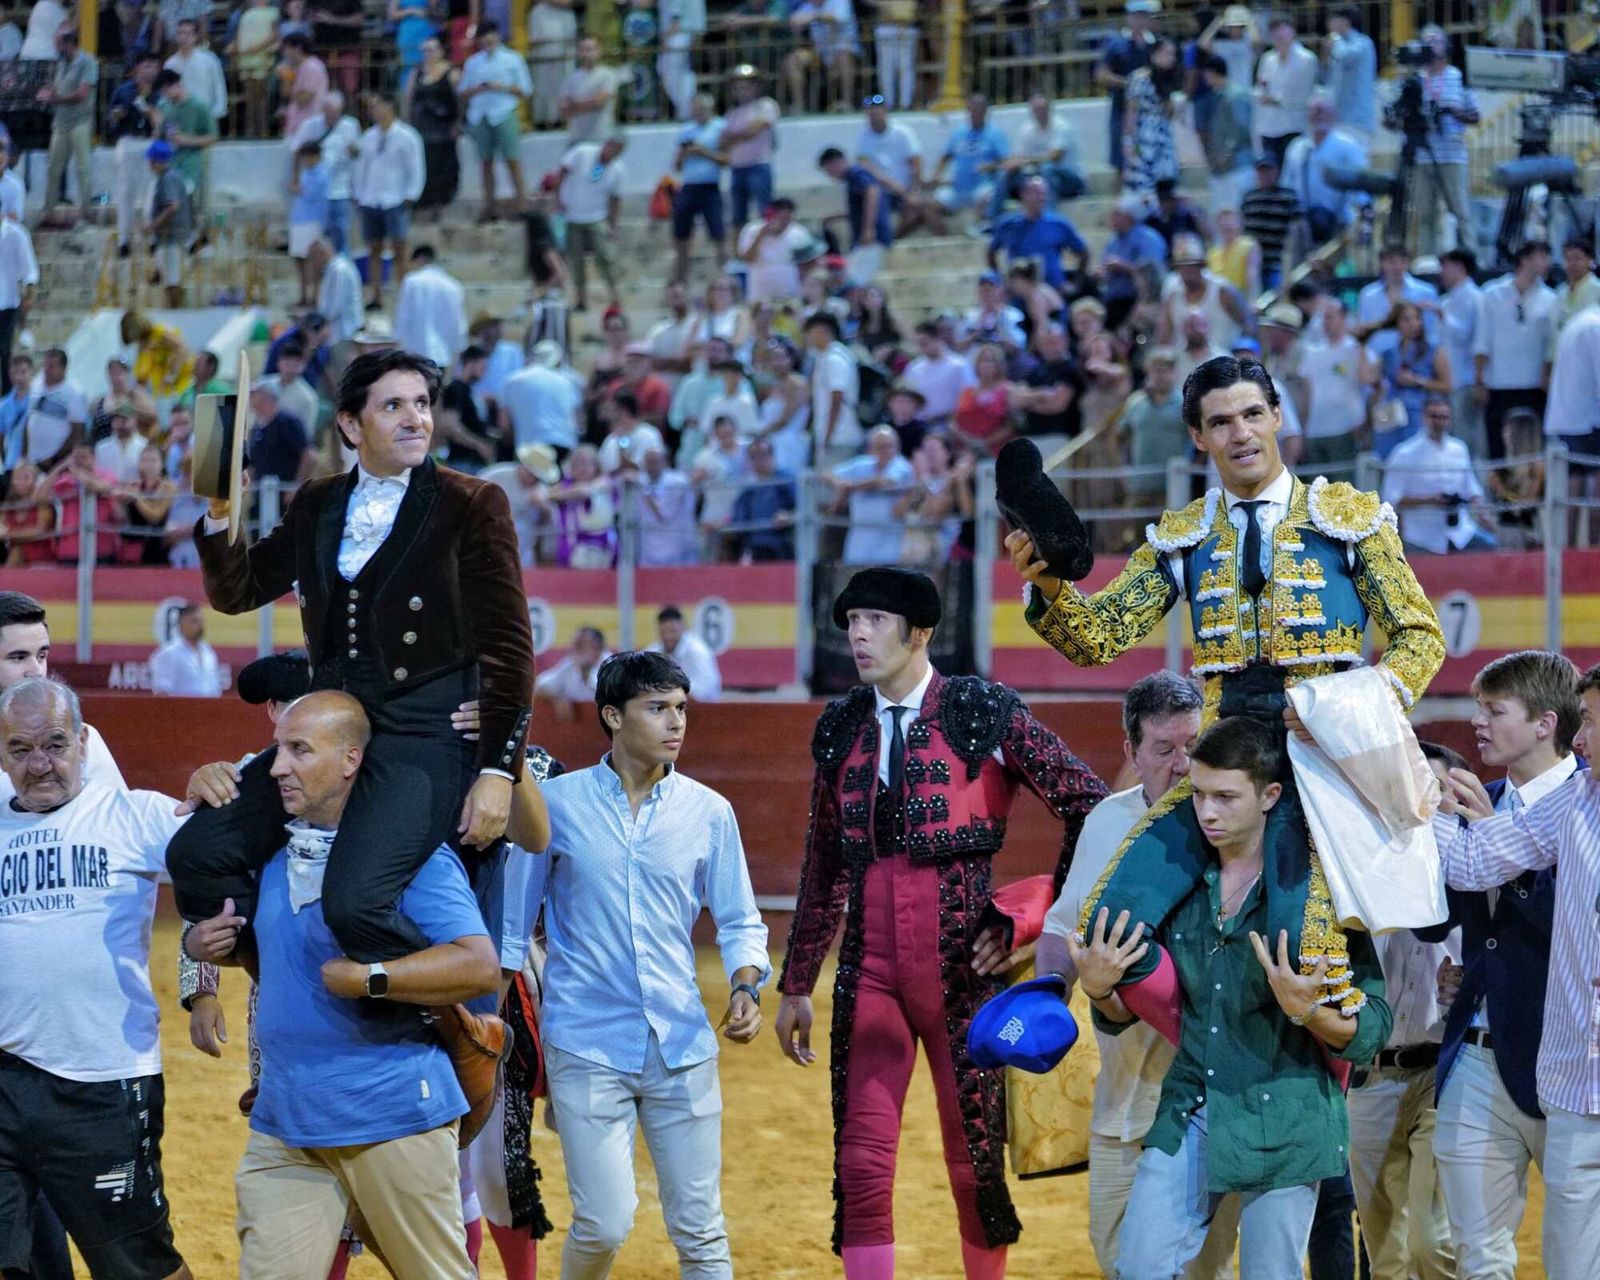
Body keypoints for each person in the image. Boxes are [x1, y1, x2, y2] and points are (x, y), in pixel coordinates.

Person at [1010, 353, 1443, 1070]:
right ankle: (1219, 1059)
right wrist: (1049, 588)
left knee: (1309, 954)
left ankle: (1319, 1113)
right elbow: (1097, 637)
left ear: (1277, 416)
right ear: (1198, 437)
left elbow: (1419, 637)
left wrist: (1346, 707)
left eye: (1251, 414)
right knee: (1110, 918)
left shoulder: (1349, 519)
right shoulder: (1183, 535)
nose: (1240, 432)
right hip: (1222, 765)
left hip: (1324, 770)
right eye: (1220, 421)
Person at [167, 350, 535, 1035]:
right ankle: (286, 981)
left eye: (422, 403)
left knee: (358, 902)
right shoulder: (318, 501)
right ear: (349, 424)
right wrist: (221, 512)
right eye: (393, 405)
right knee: (196, 855)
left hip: (426, 735)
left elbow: (510, 646)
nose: (415, 418)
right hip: (336, 727)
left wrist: (497, 771)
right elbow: (238, 592)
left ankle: (456, 1029)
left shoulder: (472, 502)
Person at [777, 567, 1107, 1280]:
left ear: (920, 633)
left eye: (874, 619)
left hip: (966, 969)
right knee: (859, 1165)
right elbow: (824, 860)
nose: (858, 634)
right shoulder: (840, 726)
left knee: (973, 1166)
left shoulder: (981, 710)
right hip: (870, 971)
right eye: (851, 620)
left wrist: (1034, 919)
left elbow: (1089, 802)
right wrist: (798, 981)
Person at [185, 691, 501, 1280]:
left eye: (298, 750)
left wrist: (372, 978)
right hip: (286, 1124)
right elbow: (279, 956)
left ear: (351, 758)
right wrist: (200, 949)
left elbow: (479, 966)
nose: (277, 767)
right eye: (279, 749)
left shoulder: (412, 861)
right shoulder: (272, 854)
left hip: (391, 1118)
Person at [1079, 716, 1391, 1278]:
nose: (1207, 813)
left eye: (1226, 797)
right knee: (1140, 1266)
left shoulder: (1319, 891)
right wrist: (1101, 992)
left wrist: (1307, 1011)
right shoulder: (1177, 887)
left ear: (1271, 795)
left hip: (1289, 1117)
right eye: (1198, 795)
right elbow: (1125, 1015)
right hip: (1193, 1104)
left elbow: (1372, 1027)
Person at [534, 651, 764, 1276]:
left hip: (681, 1043)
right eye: (658, 708)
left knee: (701, 1231)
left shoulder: (709, 812)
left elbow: (741, 920)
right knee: (603, 1224)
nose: (676, 724)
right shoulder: (556, 804)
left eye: (681, 708)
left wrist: (747, 986)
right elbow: (513, 926)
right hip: (585, 1043)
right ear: (613, 715)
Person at [1035, 672, 1235, 1279]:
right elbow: (1060, 927)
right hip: (1124, 1097)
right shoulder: (1106, 822)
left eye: (1193, 747)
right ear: (1131, 753)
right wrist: (1049, 992)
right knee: (1117, 1255)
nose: (1181, 766)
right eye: (1163, 750)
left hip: (1210, 1098)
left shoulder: (1236, 825)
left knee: (1203, 1268)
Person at [0, 678, 193, 1280]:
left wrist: (203, 975)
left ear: (84, 742)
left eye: (54, 745)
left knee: (140, 1265)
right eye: (19, 749)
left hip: (100, 1082)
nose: (39, 765)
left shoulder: (134, 814)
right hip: (3, 1077)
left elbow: (221, 872)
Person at [1430, 672, 1600, 1280]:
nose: (1584, 738)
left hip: (1565, 1061)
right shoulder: (1565, 802)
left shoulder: (1574, 796)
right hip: (1513, 1061)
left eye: (1493, 709)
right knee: (1490, 1257)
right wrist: (1448, 820)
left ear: (1542, 723)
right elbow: (1460, 881)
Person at [1474, 239, 1554, 464]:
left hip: (1534, 385)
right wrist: (1479, 381)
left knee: (1533, 444)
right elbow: (1482, 340)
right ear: (1525, 259)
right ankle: (1500, 494)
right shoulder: (1492, 293)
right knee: (1497, 443)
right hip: (1498, 383)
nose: (1546, 263)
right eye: (1542, 256)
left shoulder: (1550, 298)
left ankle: (1532, 495)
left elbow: (1550, 346)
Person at [352, 93, 425, 312]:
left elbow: (415, 166)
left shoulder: (407, 136)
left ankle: (403, 294)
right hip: (371, 198)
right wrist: (358, 192)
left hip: (396, 197)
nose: (375, 111)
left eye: (379, 106)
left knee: (399, 248)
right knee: (374, 248)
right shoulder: (368, 137)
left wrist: (412, 193)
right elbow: (361, 167)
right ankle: (376, 294)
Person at [1411, 25, 1479, 254]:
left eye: (1436, 40)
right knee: (1425, 214)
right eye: (1426, 40)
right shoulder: (1415, 80)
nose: (1431, 45)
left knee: (1461, 211)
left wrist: (1453, 112)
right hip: (1423, 155)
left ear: (1446, 45)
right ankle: (1426, 261)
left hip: (1452, 154)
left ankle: (1471, 258)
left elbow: (1475, 115)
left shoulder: (1456, 76)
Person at [459, 22, 532, 223]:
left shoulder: (512, 59)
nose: (487, 40)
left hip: (504, 111)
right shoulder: (473, 62)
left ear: (498, 36)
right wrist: (479, 88)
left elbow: (525, 90)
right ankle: (489, 205)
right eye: (483, 36)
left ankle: (522, 204)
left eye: (490, 35)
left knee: (512, 159)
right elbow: (463, 92)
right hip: (481, 114)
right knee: (485, 162)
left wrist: (502, 87)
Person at [1282, 96, 1369, 246]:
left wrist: (1361, 216)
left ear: (1333, 115)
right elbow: (1287, 184)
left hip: (1340, 221)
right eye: (1315, 111)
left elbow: (1362, 184)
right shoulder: (1297, 147)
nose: (1319, 115)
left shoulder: (1347, 145)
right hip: (1304, 223)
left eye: (1324, 111)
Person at [826, 425, 913, 565]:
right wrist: (840, 485)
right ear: (871, 449)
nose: (886, 451)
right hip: (859, 537)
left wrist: (848, 487)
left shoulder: (901, 465)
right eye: (881, 447)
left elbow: (885, 481)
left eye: (890, 446)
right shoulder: (862, 464)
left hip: (888, 539)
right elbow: (827, 474)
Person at [558, 132, 625, 313]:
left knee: (606, 258)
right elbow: (562, 171)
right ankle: (580, 300)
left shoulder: (616, 170)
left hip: (597, 217)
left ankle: (615, 297)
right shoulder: (582, 152)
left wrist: (613, 225)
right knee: (576, 260)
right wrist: (558, 198)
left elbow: (615, 198)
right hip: (574, 215)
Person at [1299, 299, 1370, 469]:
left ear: (1344, 318)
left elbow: (1365, 380)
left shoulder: (1355, 349)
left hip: (1344, 428)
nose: (1326, 322)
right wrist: (1303, 428)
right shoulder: (1312, 353)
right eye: (1324, 318)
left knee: (1343, 488)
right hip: (1315, 429)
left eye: (1330, 317)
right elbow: (1307, 395)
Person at [36, 27, 97, 225]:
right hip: (61, 123)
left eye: (57, 43)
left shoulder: (88, 62)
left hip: (80, 121)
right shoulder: (61, 63)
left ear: (68, 43)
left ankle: (85, 213)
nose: (55, 46)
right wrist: (47, 93)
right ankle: (48, 210)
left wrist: (54, 100)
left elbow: (82, 94)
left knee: (82, 168)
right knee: (54, 167)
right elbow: (55, 86)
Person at [1375, 300, 1450, 460]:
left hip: (1419, 414)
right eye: (1406, 319)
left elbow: (1447, 385)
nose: (1413, 324)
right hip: (1392, 415)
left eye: (1416, 318)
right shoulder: (1388, 353)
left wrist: (1417, 381)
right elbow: (1373, 380)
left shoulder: (1433, 350)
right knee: (1390, 459)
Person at [987, 176, 1088, 294]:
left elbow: (1083, 253)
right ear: (1023, 194)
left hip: (1053, 290)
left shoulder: (1059, 224)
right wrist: (1001, 280)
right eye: (1036, 193)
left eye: (1043, 193)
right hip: (1018, 292)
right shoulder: (1008, 225)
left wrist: (1076, 284)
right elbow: (991, 252)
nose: (1041, 197)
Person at [926, 92, 1008, 233]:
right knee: (930, 204)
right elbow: (947, 155)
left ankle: (977, 230)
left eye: (979, 110)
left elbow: (1007, 160)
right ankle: (943, 237)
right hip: (958, 188)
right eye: (972, 110)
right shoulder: (959, 132)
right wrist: (936, 175)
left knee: (986, 197)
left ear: (985, 112)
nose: (975, 114)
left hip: (982, 186)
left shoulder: (995, 133)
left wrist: (990, 166)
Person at [107, 51, 163, 255]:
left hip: (150, 142)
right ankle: (124, 240)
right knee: (125, 193)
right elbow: (111, 119)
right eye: (148, 65)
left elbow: (161, 120)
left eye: (155, 66)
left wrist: (148, 110)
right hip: (128, 141)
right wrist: (117, 114)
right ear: (137, 68)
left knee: (152, 192)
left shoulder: (159, 93)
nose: (152, 70)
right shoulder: (123, 91)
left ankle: (152, 238)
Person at [1097, 0, 1159, 179]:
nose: (1140, 20)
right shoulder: (1116, 44)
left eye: (1144, 16)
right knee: (1121, 161)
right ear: (1129, 18)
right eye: (1136, 16)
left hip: (1149, 113)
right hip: (1121, 111)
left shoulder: (1154, 44)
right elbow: (1101, 74)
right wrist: (1129, 83)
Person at [997, 91, 1085, 215]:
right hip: (1039, 177)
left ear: (1049, 108)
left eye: (1041, 109)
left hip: (1070, 180)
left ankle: (1047, 218)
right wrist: (1011, 164)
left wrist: (1026, 161)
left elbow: (1055, 157)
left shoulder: (1062, 127)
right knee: (1008, 175)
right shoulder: (1027, 129)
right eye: (1035, 109)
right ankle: (993, 221)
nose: (1039, 112)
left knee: (1047, 170)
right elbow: (1018, 156)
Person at [671, 92, 728, 284]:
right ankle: (680, 279)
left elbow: (725, 160)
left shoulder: (720, 127)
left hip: (710, 186)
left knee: (718, 234)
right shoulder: (687, 130)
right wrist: (684, 154)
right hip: (689, 186)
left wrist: (704, 152)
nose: (699, 113)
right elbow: (677, 165)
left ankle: (725, 275)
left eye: (702, 110)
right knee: (681, 235)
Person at [1435, 248, 1484, 460]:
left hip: (1465, 379)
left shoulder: (1476, 297)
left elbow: (1469, 337)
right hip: (1447, 379)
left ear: (1459, 267)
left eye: (1444, 267)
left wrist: (1442, 314)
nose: (1441, 273)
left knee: (1466, 438)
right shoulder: (1447, 299)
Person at [405, 41, 461, 223]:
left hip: (443, 129)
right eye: (425, 50)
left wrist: (457, 124)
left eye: (432, 50)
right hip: (422, 127)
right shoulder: (417, 73)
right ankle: (421, 207)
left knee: (443, 169)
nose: (428, 54)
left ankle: (440, 206)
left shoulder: (451, 73)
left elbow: (459, 102)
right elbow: (408, 100)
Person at [151, 68, 216, 224]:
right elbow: (159, 136)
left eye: (167, 91)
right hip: (170, 163)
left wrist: (186, 140)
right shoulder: (164, 106)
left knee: (188, 204)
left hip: (191, 162)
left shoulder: (199, 106)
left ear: (177, 85)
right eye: (163, 93)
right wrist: (157, 125)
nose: (165, 96)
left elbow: (213, 137)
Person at [1253, 15, 1317, 164]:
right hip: (1268, 126)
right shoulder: (1268, 59)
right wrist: (1263, 96)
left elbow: (1305, 94)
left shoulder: (1306, 59)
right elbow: (1261, 86)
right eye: (1274, 33)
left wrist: (1276, 101)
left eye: (1282, 31)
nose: (1279, 36)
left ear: (1292, 32)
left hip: (1293, 125)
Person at [1122, 37, 1180, 196]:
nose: (1172, 58)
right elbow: (1131, 111)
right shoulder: (1139, 78)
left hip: (1163, 134)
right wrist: (1128, 141)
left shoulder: (1166, 79)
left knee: (1166, 178)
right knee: (1143, 181)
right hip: (1144, 133)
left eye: (1173, 55)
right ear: (1155, 54)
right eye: (1168, 53)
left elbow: (1169, 112)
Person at [722, 64, 779, 227]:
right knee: (738, 215)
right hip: (737, 167)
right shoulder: (732, 113)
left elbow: (757, 129)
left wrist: (734, 137)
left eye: (747, 85)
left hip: (759, 165)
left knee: (765, 211)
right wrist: (740, 135)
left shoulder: (766, 105)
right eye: (738, 86)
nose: (742, 90)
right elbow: (723, 140)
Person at [1197, 54, 1254, 215]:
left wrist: (1227, 153)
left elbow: (1240, 128)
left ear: (1213, 73)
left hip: (1237, 166)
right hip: (1221, 168)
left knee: (1237, 212)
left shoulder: (1236, 95)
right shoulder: (1217, 95)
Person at [394, 244, 467, 370]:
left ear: (420, 259)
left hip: (415, 353)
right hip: (442, 354)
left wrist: (399, 342)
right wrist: (457, 348)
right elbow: (458, 322)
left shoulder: (412, 281)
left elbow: (403, 316)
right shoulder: (453, 285)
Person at [804, 312, 862, 463]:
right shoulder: (823, 357)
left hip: (839, 438)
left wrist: (828, 436)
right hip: (830, 436)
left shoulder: (835, 359)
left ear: (821, 331)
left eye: (810, 333)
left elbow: (837, 397)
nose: (808, 338)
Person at [1240, 152, 1300, 290]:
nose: (1265, 175)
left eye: (1268, 170)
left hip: (1277, 261)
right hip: (1252, 263)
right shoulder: (1249, 197)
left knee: (1274, 296)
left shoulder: (1288, 196)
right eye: (1261, 171)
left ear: (1276, 171)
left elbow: (1299, 227)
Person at [818, 146, 893, 255]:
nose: (830, 175)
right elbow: (860, 209)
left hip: (873, 239)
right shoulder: (852, 178)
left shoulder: (856, 174)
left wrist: (868, 230)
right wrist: (837, 217)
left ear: (836, 162)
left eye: (828, 170)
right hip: (865, 238)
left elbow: (872, 192)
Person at [21, 347, 84, 471]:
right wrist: (24, 454)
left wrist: (54, 458)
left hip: (56, 462)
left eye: (51, 366)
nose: (46, 370)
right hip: (32, 460)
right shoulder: (35, 387)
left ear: (63, 368)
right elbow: (28, 421)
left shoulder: (74, 393)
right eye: (45, 365)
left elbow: (77, 432)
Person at [644, 605, 722, 701]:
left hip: (704, 710)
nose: (668, 637)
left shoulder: (697, 651)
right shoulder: (654, 651)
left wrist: (663, 691)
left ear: (683, 627)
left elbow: (700, 694)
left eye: (672, 631)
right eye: (664, 632)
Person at [1324, 7, 1377, 141]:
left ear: (1345, 21)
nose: (1329, 25)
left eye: (1332, 20)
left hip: (1357, 118)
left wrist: (1335, 40)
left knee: (1355, 161)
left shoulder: (1362, 43)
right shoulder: (1338, 45)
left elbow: (1344, 55)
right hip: (1337, 116)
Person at [150, 601, 225, 696]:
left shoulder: (208, 652)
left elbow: (214, 688)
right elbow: (162, 692)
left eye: (201, 621)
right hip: (182, 709)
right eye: (194, 621)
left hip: (208, 708)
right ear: (181, 624)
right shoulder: (169, 653)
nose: (199, 625)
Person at [289, 141, 331, 307]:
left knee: (314, 261)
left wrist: (298, 188)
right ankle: (303, 295)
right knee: (299, 259)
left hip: (313, 221)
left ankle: (315, 296)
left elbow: (311, 194)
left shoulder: (322, 174)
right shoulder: (304, 173)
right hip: (298, 219)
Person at [558, 36, 622, 145]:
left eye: (590, 50)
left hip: (601, 139)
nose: (586, 54)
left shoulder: (608, 75)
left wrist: (575, 105)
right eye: (582, 50)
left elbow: (599, 102)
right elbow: (563, 109)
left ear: (599, 51)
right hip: (576, 139)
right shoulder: (571, 77)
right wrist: (588, 104)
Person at [162, 17, 225, 123]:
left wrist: (216, 113)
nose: (184, 37)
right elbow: (166, 96)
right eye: (180, 33)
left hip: (207, 116)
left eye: (188, 33)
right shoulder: (170, 64)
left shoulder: (209, 59)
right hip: (181, 119)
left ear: (195, 36)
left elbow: (219, 88)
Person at [0, 215, 35, 389]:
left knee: (4, 351)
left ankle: (6, 394)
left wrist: (28, 294)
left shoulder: (16, 234)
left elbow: (29, 269)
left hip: (7, 302)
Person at [535, 626, 611, 705]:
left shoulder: (613, 666)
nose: (575, 648)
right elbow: (539, 686)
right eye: (575, 644)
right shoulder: (570, 665)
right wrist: (557, 696)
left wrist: (585, 674)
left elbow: (607, 695)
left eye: (581, 644)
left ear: (598, 647)